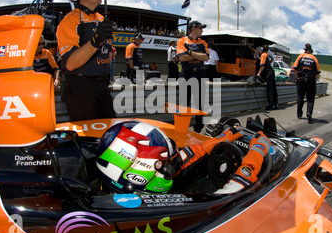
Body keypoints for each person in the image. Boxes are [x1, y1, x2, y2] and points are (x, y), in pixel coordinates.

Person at [96, 120, 271, 194]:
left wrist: (219, 140)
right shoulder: (142, 211)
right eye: (161, 164)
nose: (168, 166)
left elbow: (179, 160)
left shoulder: (112, 190)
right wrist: (256, 153)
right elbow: (228, 195)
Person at [56, 0, 115, 121]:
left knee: (110, 130)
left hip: (102, 85)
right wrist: (96, 40)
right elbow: (70, 63)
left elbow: (106, 52)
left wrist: (110, 51)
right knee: (88, 137)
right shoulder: (70, 20)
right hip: (80, 87)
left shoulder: (101, 18)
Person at [176, 20, 209, 133]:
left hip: (200, 74)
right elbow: (181, 58)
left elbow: (205, 57)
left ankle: (198, 130)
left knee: (200, 103)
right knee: (184, 103)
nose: (202, 30)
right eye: (201, 28)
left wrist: (189, 52)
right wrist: (197, 56)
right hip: (186, 74)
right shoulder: (182, 40)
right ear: (194, 28)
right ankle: (181, 129)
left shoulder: (203, 42)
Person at [292, 43, 321, 122]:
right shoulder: (314, 58)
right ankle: (309, 113)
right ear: (311, 51)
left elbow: (295, 69)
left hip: (301, 79)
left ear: (304, 50)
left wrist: (297, 77)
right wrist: (314, 81)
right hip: (311, 79)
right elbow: (317, 72)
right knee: (310, 98)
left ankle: (299, 114)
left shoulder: (300, 57)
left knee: (300, 97)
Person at [257, 45, 278, 110]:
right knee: (273, 88)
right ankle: (275, 103)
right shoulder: (268, 55)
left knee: (270, 89)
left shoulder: (263, 55)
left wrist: (259, 73)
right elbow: (272, 59)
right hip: (271, 71)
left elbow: (262, 66)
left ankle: (270, 104)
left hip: (268, 73)